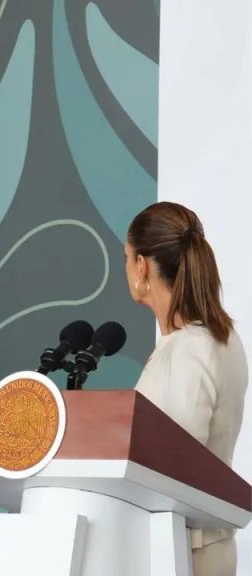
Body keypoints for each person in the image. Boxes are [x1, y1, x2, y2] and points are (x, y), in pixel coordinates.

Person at [126, 201, 249, 576]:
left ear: (142, 266)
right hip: (193, 548)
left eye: (127, 258)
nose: (127, 268)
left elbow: (175, 466)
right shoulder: (214, 339)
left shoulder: (191, 348)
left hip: (183, 554)